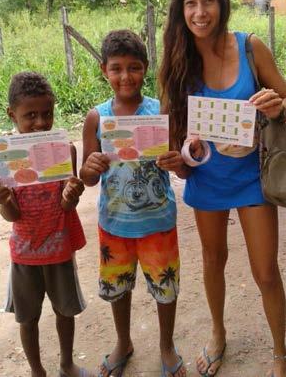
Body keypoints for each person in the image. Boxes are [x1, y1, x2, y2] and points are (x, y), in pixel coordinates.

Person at [158, 0, 286, 377]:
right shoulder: (177, 62)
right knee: (212, 259)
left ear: (221, 3)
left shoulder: (250, 47)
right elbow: (176, 138)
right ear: (180, 11)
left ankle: (279, 353)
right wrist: (180, 156)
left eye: (207, 1)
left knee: (265, 271)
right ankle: (218, 332)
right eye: (190, 3)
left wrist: (277, 104)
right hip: (207, 180)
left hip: (253, 178)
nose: (199, 12)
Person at [80, 29, 186, 377]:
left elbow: (182, 167)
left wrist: (177, 162)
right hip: (115, 224)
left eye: (134, 67)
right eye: (116, 68)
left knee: (165, 289)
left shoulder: (161, 112)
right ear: (103, 70)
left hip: (158, 221)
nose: (125, 76)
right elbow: (88, 176)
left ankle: (166, 345)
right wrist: (90, 167)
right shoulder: (97, 118)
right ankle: (123, 341)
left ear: (146, 68)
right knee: (118, 289)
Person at [0, 72, 92, 377]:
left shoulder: (64, 150)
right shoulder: (6, 158)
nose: (40, 122)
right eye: (31, 115)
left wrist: (71, 193)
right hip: (24, 253)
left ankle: (66, 365)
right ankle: (37, 371)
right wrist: (3, 200)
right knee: (27, 318)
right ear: (13, 115)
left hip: (59, 249)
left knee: (65, 311)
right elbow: (12, 217)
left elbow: (67, 205)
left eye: (47, 113)